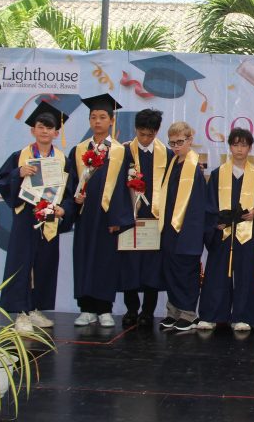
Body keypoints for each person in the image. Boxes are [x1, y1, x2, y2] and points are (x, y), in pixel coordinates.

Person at [0, 101, 74, 334]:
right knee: (21, 264)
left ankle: (36, 309)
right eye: (41, 127)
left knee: (45, 263)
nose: (45, 131)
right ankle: (21, 313)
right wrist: (18, 173)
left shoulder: (62, 160)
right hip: (26, 219)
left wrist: (63, 209)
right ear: (33, 130)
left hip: (49, 218)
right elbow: (1, 180)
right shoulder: (20, 156)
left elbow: (69, 193)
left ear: (56, 133)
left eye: (49, 128)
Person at [69, 93, 134, 328]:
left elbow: (125, 187)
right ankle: (86, 308)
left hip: (107, 215)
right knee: (84, 258)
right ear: (89, 120)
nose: (97, 121)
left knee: (106, 261)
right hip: (85, 214)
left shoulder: (120, 151)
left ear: (111, 121)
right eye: (93, 117)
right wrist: (75, 199)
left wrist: (118, 217)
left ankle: (104, 309)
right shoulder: (78, 150)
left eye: (102, 117)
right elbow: (71, 182)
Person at [197, 128, 254, 331]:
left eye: (243, 145)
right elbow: (210, 203)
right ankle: (212, 315)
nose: (239, 149)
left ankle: (243, 317)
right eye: (235, 145)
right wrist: (216, 222)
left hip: (247, 233)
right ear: (229, 147)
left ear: (250, 148)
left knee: (247, 274)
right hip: (223, 232)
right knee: (216, 273)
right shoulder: (218, 174)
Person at [118, 109, 172, 329]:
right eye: (141, 134)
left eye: (150, 135)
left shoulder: (167, 154)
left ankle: (148, 311)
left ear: (157, 132)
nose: (145, 139)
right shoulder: (123, 152)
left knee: (152, 268)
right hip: (129, 218)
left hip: (154, 219)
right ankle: (131, 309)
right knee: (129, 266)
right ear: (136, 130)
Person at [158, 121, 208, 332]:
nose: (176, 147)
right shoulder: (172, 164)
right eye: (172, 143)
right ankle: (174, 311)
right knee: (171, 270)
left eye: (180, 142)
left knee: (186, 271)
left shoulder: (194, 167)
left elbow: (198, 205)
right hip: (169, 228)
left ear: (190, 140)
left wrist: (191, 231)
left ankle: (188, 313)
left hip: (188, 229)